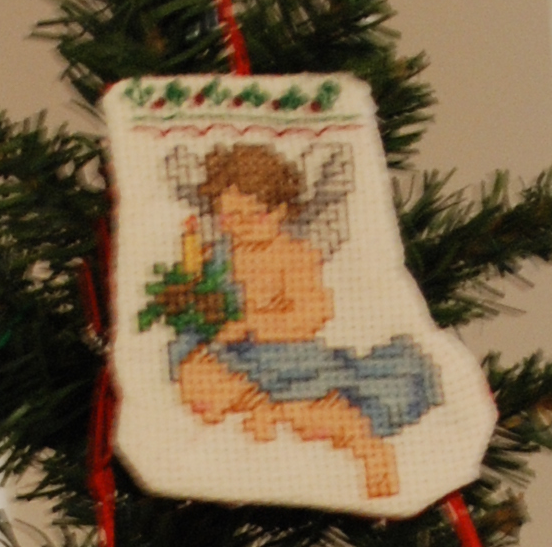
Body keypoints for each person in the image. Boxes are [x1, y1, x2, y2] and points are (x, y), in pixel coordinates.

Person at [168, 141, 438, 500]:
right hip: (230, 353)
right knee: (193, 375)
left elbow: (312, 313)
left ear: (281, 210)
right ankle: (262, 407)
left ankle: (370, 451)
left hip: (284, 355)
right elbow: (203, 299)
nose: (240, 227)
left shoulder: (292, 255)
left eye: (253, 216)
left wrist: (254, 324)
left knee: (315, 410)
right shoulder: (219, 253)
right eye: (230, 217)